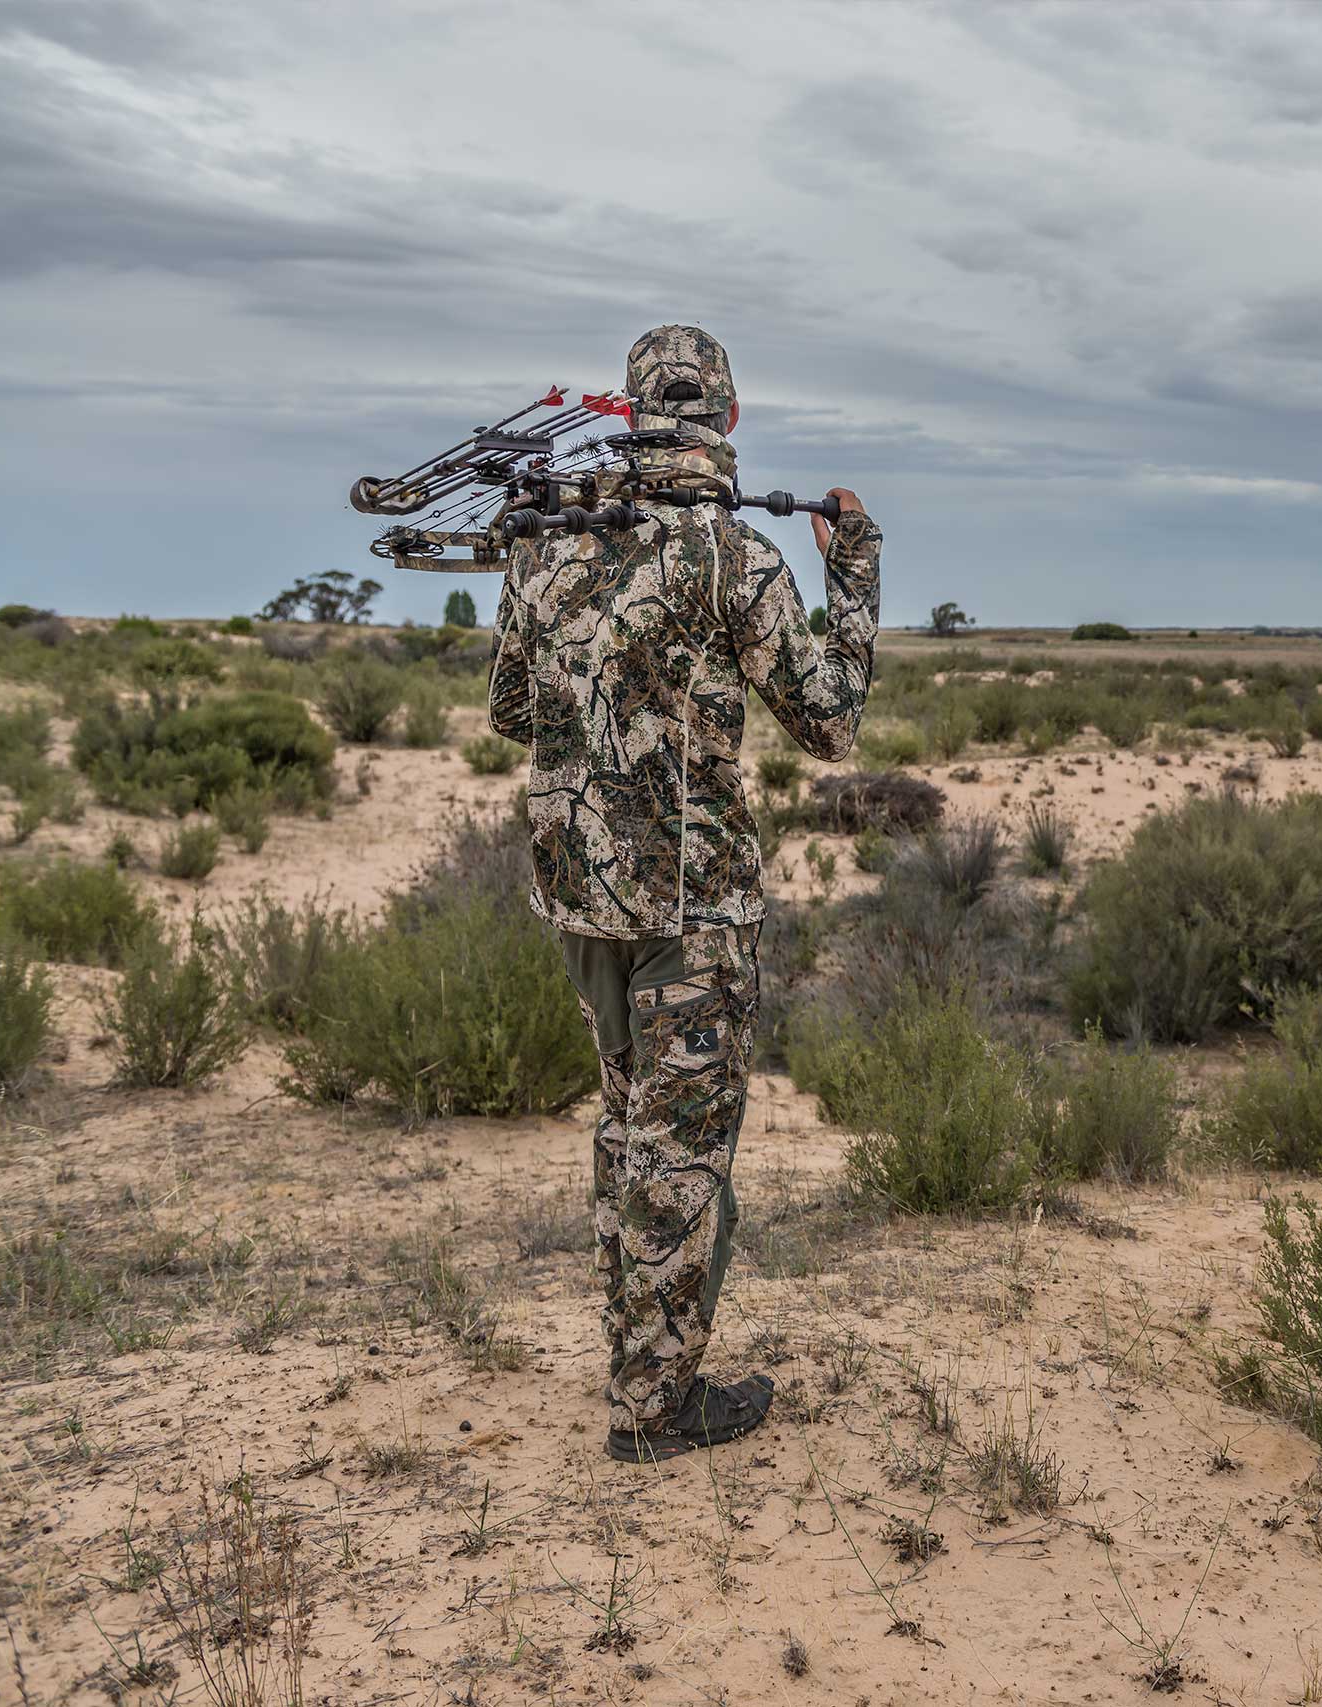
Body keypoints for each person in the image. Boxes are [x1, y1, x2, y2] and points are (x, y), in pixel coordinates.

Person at [487, 324, 880, 1462]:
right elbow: (832, 723)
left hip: (578, 895)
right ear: (729, 420)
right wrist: (851, 572)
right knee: (682, 1153)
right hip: (691, 912)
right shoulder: (732, 557)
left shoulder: (546, 543)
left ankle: (638, 1358)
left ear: (628, 409)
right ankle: (654, 1407)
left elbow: (513, 712)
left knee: (626, 1131)